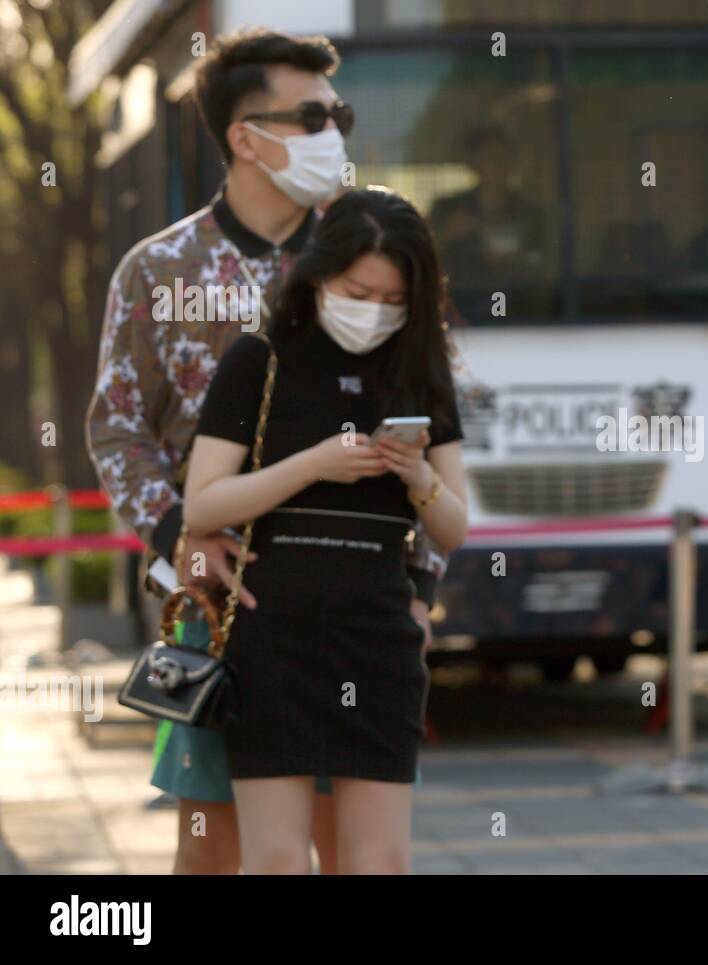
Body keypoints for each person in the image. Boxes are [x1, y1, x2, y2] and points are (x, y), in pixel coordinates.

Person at [85, 29, 444, 874]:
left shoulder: (372, 257)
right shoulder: (160, 268)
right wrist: (186, 534)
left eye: (339, 115)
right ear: (246, 137)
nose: (335, 134)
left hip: (356, 609)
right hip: (223, 608)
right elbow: (116, 428)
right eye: (315, 115)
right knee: (215, 846)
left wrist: (422, 588)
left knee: (350, 851)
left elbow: (424, 427)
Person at [183, 187, 468, 875]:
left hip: (377, 631)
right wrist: (313, 464)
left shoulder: (421, 368)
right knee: (277, 860)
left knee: (379, 863)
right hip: (272, 631)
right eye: (355, 290)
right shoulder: (260, 359)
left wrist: (416, 477)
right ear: (316, 274)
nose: (371, 312)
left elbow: (453, 526)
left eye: (391, 300)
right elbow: (203, 504)